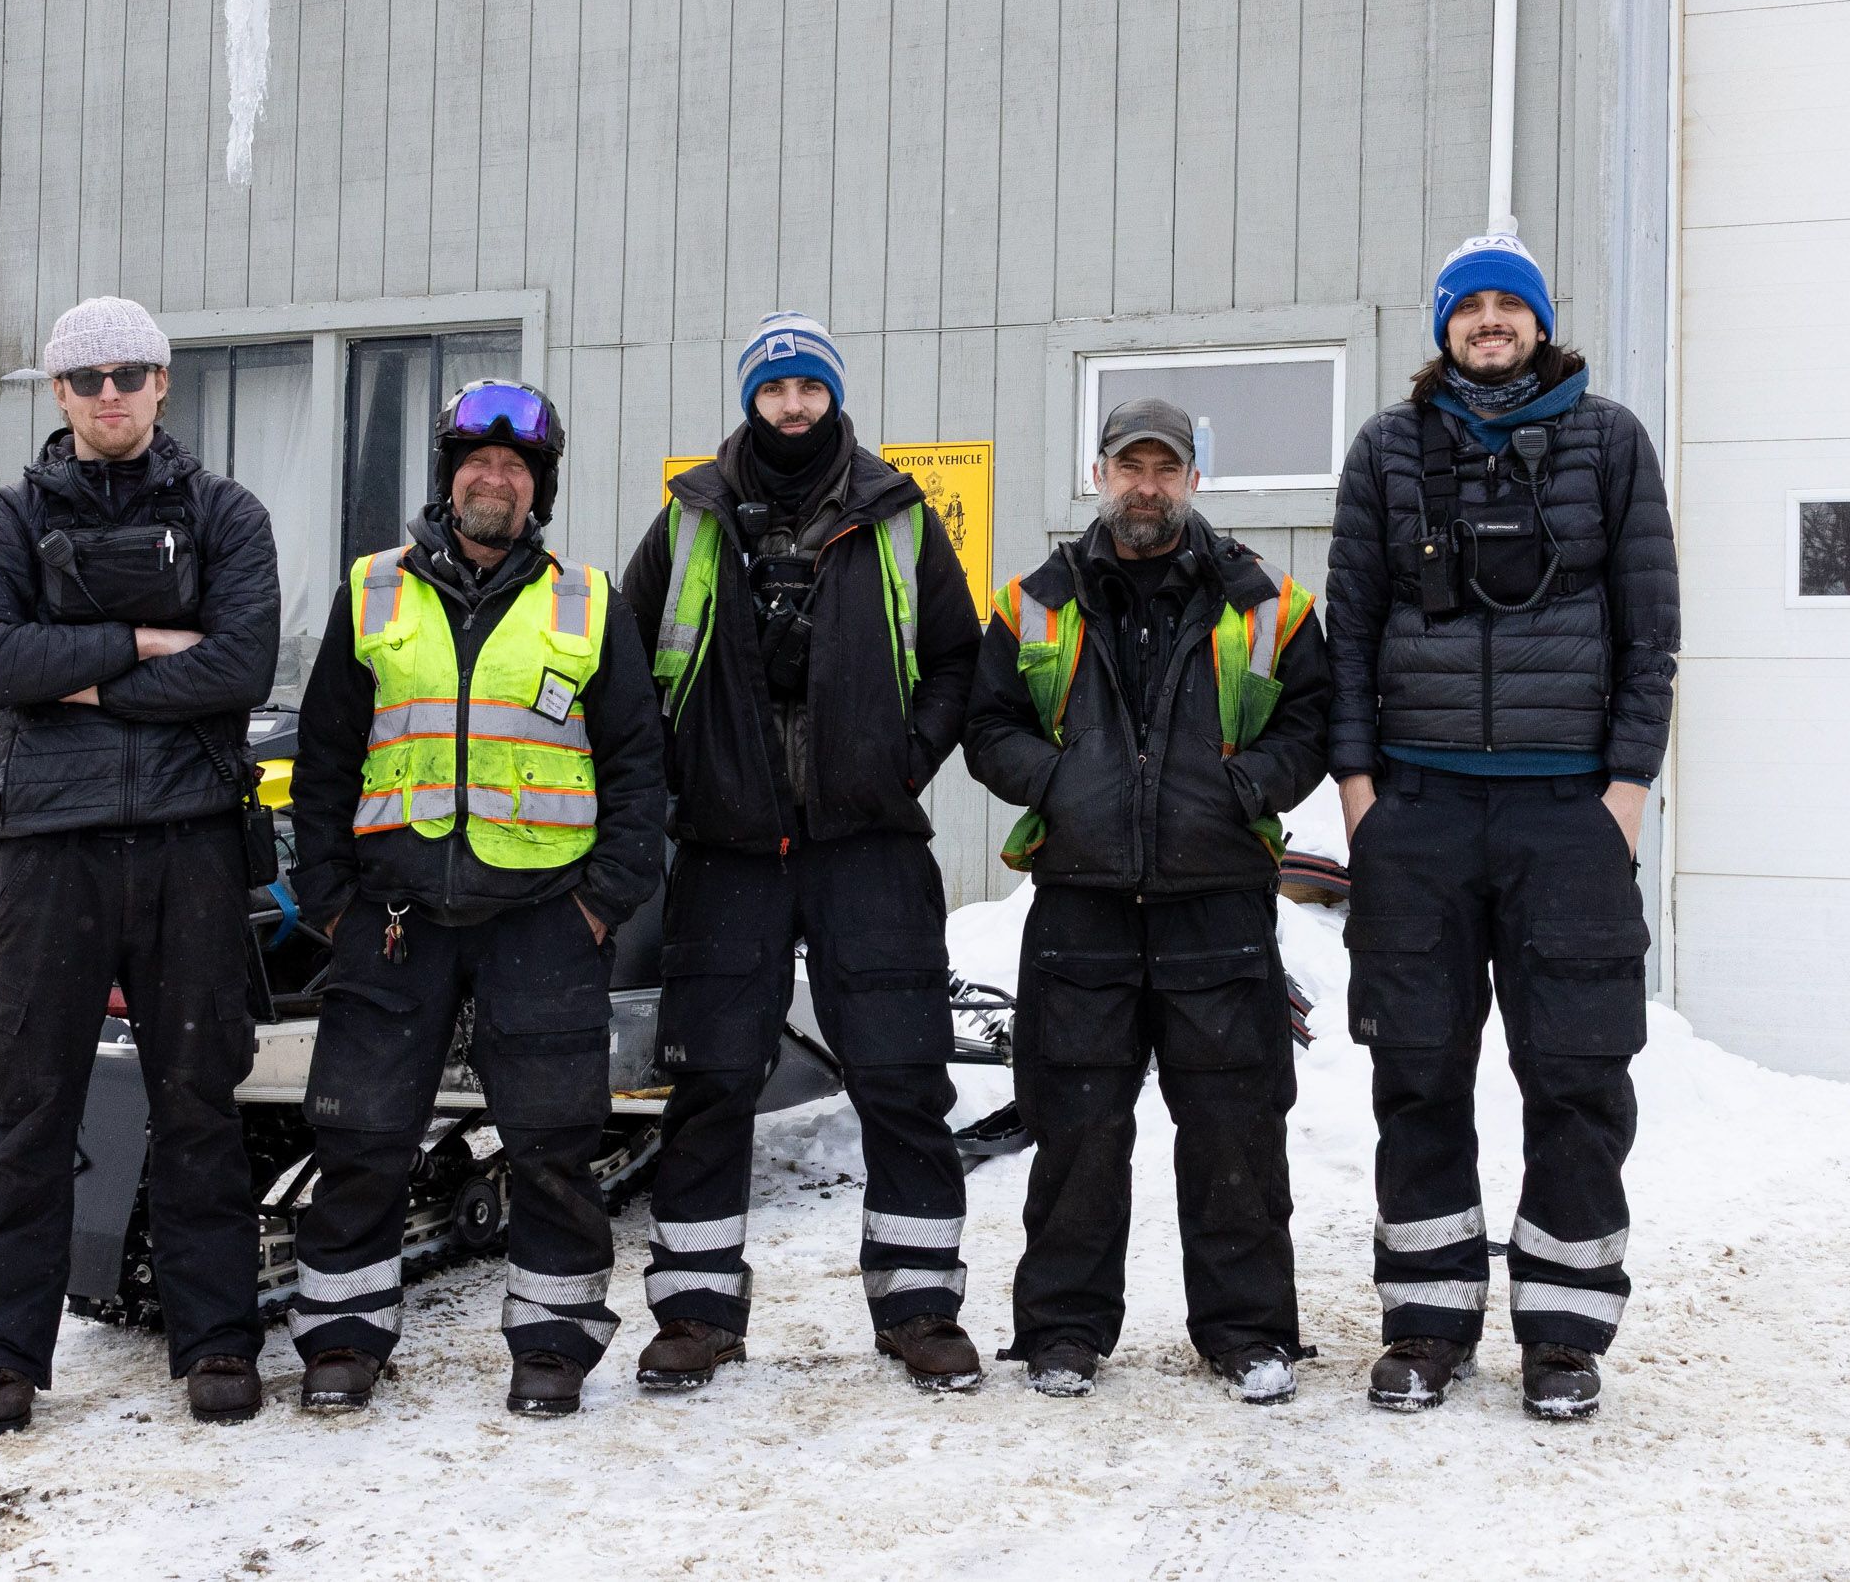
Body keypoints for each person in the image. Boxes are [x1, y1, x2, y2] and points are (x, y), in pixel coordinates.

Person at [1326, 230, 1679, 1419]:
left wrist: (1623, 792)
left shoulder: (1611, 439)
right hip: (1417, 810)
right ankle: (1425, 1323)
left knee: (1578, 1072)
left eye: (1506, 305)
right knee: (1416, 1070)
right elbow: (1352, 628)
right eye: (1468, 306)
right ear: (1444, 327)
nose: (1488, 322)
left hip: (1566, 808)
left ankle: (1564, 1331)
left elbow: (1651, 632)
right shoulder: (1385, 447)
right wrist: (1361, 795)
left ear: (1537, 320)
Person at [285, 380, 666, 1418]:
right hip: (392, 917)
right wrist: (328, 899)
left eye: (513, 467)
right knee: (359, 1137)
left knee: (550, 1144)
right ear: (447, 479)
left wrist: (601, 903)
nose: (492, 479)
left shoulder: (588, 604)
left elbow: (639, 771)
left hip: (543, 918)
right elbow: (323, 761)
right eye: (474, 464)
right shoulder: (371, 590)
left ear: (537, 488)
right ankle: (342, 1337)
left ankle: (552, 1342)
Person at [619, 311, 984, 1392]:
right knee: (710, 1079)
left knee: (901, 1073)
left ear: (832, 395)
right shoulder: (688, 517)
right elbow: (633, 668)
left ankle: (919, 1308)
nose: (791, 406)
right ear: (750, 400)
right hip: (728, 845)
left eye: (807, 388)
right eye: (773, 389)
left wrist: (900, 762)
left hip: (864, 842)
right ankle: (694, 1312)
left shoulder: (898, 513)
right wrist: (688, 776)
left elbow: (957, 659)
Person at [0, 296, 281, 1434]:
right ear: (57, 394)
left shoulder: (227, 514)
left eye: (129, 373)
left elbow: (239, 663)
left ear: (162, 383)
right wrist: (143, 644)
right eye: (85, 377)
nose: (108, 394)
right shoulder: (3, 522)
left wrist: (73, 677)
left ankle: (217, 1341)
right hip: (49, 849)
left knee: (199, 1101)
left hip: (191, 842)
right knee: (28, 1100)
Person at [963, 397, 1329, 1401]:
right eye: (1131, 466)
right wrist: (1058, 780)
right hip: (1080, 906)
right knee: (1076, 1132)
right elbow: (985, 722)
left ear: (1193, 480)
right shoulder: (1031, 599)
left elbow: (1312, 721)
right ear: (1099, 472)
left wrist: (1245, 787)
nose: (1147, 485)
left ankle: (1248, 1331)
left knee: (1234, 1133)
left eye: (1166, 469)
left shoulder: (1266, 602)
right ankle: (1062, 1331)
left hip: (1217, 906)